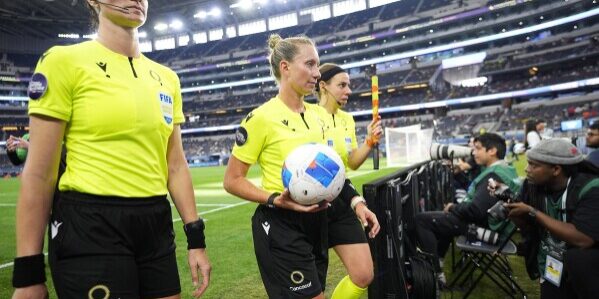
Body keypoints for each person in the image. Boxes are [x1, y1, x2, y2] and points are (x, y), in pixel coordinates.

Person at [11, 1, 211, 298]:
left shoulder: (167, 78)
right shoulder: (63, 61)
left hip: (155, 222)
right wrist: (28, 274)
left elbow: (176, 166)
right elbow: (40, 174)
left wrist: (196, 240)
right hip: (90, 224)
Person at [223, 34, 373, 299]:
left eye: (318, 65)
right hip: (281, 223)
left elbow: (334, 170)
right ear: (285, 68)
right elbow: (233, 179)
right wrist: (274, 199)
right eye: (310, 64)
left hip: (318, 219)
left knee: (351, 279)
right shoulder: (260, 118)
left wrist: (357, 203)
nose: (317, 73)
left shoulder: (319, 116)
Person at [414, 133, 520, 283]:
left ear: (492, 151)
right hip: (495, 226)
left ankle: (435, 273)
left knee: (422, 220)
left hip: (486, 229)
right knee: (444, 220)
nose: (473, 152)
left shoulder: (495, 174)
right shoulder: (505, 169)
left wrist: (452, 208)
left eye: (477, 148)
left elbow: (475, 211)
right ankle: (439, 261)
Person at [315, 63, 382, 298]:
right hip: (313, 206)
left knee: (364, 274)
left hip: (342, 200)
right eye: (342, 85)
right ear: (323, 86)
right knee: (314, 287)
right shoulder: (308, 117)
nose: (348, 90)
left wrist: (370, 141)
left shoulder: (347, 119)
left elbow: (352, 162)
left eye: (349, 85)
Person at [502, 139, 599, 299]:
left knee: (578, 263)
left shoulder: (591, 188)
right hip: (550, 263)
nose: (527, 169)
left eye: (534, 165)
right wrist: (515, 215)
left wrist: (533, 212)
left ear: (556, 169)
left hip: (584, 270)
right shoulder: (532, 186)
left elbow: (583, 239)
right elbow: (528, 228)